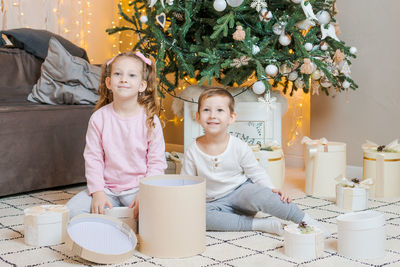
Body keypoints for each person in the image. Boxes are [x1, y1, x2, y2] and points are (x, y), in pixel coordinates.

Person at [180, 87, 329, 237]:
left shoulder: (238, 146)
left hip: (241, 193)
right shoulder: (193, 150)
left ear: (231, 117)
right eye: (206, 110)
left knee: (263, 195)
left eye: (219, 110)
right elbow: (186, 182)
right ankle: (259, 224)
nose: (212, 115)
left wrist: (271, 189)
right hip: (213, 203)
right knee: (198, 218)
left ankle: (306, 220)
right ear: (198, 117)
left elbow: (256, 172)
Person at [67, 51, 167, 219]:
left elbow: (156, 162)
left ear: (142, 85)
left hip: (138, 189)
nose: (123, 79)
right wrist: (98, 192)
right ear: (108, 82)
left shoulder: (151, 121)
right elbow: (93, 158)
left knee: (158, 218)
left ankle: (120, 219)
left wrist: (146, 192)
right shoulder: (99, 118)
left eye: (132, 75)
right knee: (70, 213)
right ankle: (111, 218)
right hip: (107, 189)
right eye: (118, 74)